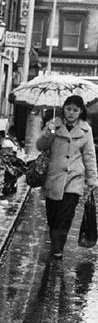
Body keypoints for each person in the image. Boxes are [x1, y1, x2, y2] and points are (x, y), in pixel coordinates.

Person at [36, 95, 98, 259]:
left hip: (73, 180)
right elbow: (39, 146)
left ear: (81, 111)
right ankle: (55, 243)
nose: (71, 113)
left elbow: (89, 156)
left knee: (65, 216)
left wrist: (92, 180)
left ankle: (58, 249)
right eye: (68, 109)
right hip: (53, 178)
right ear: (63, 108)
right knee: (53, 217)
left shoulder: (86, 130)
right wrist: (48, 134)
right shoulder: (53, 125)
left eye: (75, 110)